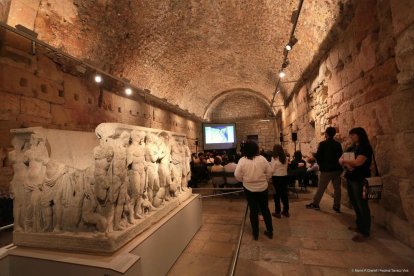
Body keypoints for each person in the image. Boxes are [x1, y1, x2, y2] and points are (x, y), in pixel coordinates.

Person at [235, 141, 273, 240]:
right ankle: (270, 231)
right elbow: (269, 172)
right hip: (262, 187)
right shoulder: (262, 159)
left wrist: (243, 180)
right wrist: (266, 179)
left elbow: (237, 175)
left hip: (249, 188)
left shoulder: (242, 160)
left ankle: (255, 233)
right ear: (256, 149)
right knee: (265, 209)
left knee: (253, 210)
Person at [339, 127, 373, 242]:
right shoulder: (353, 147)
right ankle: (359, 226)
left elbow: (358, 162)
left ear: (360, 135)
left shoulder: (365, 147)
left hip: (360, 178)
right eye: (350, 135)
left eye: (353, 135)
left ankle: (365, 231)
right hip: (351, 177)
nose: (351, 137)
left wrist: (345, 161)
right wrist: (344, 161)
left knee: (362, 204)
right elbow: (342, 158)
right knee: (355, 203)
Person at [306, 127, 343, 212]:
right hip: (337, 169)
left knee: (321, 188)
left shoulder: (322, 144)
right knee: (337, 189)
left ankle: (315, 204)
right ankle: (336, 206)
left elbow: (319, 156)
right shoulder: (338, 144)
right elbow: (340, 156)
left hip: (326, 170)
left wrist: (315, 157)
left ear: (326, 134)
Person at [270, 144, 289, 219]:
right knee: (284, 194)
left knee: (276, 195)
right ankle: (286, 211)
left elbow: (272, 169)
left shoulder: (274, 158)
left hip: (276, 178)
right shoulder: (285, 158)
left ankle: (278, 212)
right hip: (284, 177)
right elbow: (286, 168)